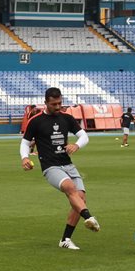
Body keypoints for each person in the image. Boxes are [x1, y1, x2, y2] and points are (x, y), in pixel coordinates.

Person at [21, 87, 100, 251]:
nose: (58, 107)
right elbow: (25, 142)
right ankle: (89, 217)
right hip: (50, 166)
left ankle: (65, 239)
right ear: (46, 103)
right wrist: (25, 158)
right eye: (54, 104)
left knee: (80, 199)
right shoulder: (35, 121)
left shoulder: (67, 118)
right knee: (70, 188)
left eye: (60, 103)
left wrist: (76, 145)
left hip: (68, 164)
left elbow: (84, 136)